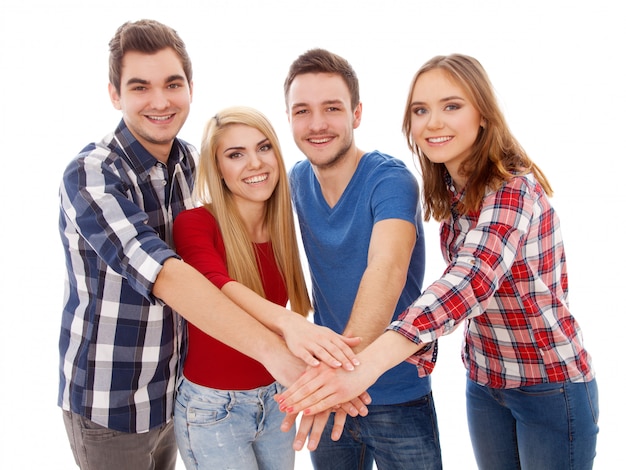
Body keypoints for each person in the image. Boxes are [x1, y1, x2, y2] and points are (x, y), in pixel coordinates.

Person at [58, 21, 362, 470]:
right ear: (114, 94)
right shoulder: (92, 174)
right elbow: (170, 275)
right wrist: (283, 350)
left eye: (172, 83)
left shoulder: (186, 163)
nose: (160, 101)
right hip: (115, 400)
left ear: (190, 87)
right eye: (140, 86)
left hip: (177, 385)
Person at [277, 53, 600, 470]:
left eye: (452, 106)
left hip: (549, 384)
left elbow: (470, 280)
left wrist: (357, 370)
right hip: (485, 383)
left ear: (482, 113)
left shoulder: (514, 190)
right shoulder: (452, 190)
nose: (433, 123)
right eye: (420, 110)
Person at [282, 48, 443, 470]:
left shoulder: (390, 180)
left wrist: (338, 376)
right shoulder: (296, 180)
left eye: (331, 108)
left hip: (397, 392)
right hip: (330, 392)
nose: (317, 124)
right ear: (289, 119)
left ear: (356, 114)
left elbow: (385, 269)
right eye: (302, 111)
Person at [173, 106, 357, 469]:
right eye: (235, 155)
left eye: (263, 147)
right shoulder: (194, 223)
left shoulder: (282, 225)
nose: (255, 163)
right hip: (214, 411)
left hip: (277, 399)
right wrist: (290, 322)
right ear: (218, 169)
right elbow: (212, 283)